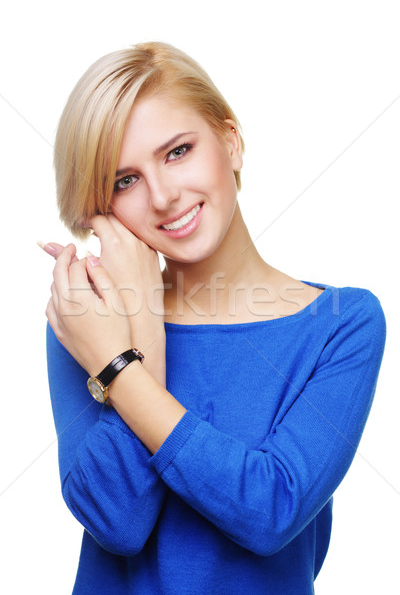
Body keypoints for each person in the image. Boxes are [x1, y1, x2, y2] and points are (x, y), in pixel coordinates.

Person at [42, 42, 386, 594]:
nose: (163, 196)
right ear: (99, 209)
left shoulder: (342, 325)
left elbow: (271, 510)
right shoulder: (89, 322)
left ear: (231, 142)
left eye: (177, 151)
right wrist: (143, 330)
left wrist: (121, 367)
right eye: (123, 180)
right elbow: (117, 524)